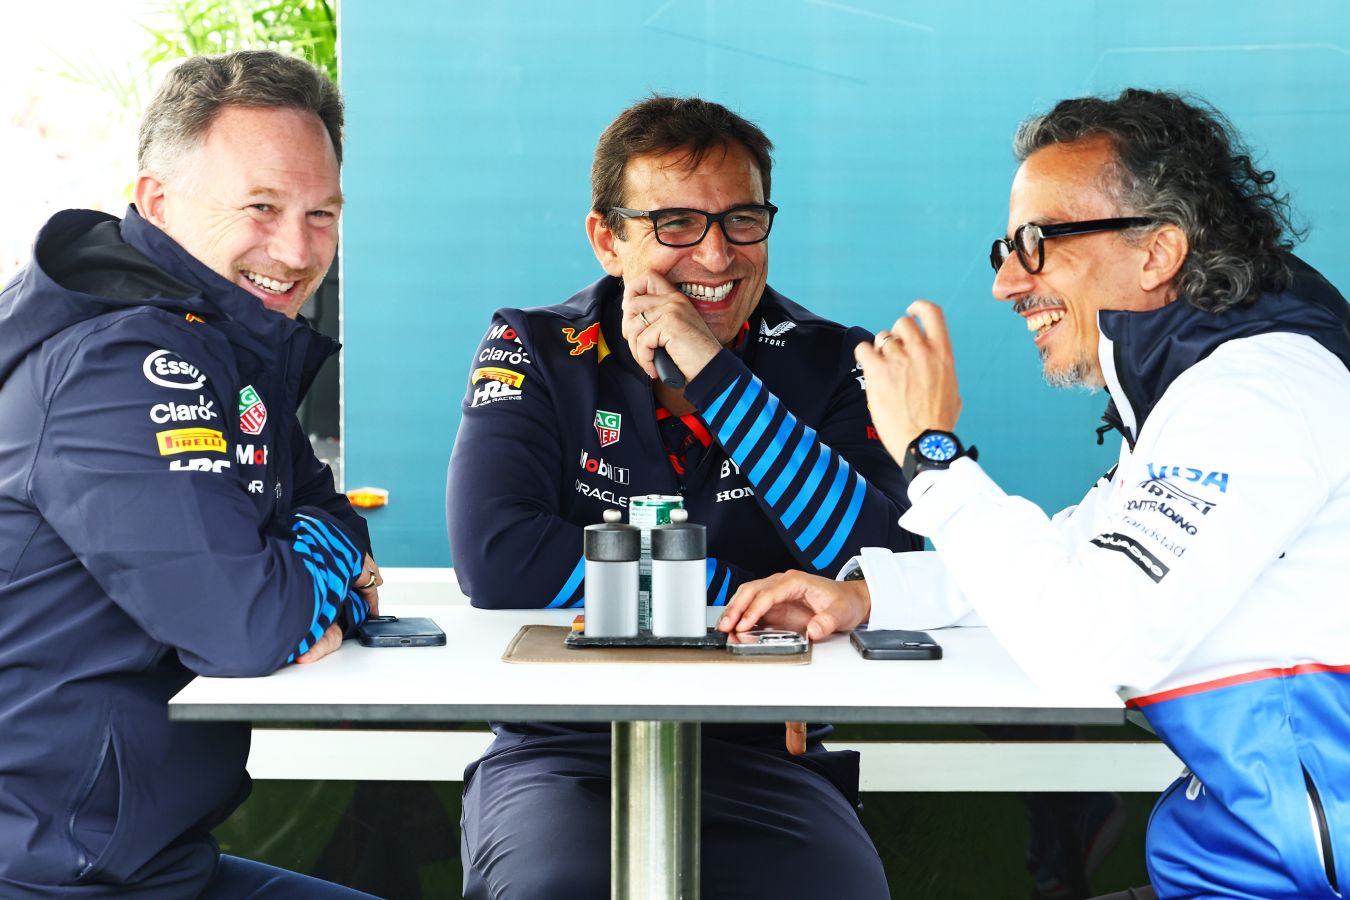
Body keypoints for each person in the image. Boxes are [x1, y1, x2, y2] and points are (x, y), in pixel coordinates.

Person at [718, 88, 1350, 899]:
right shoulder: (1211, 385)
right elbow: (1074, 561)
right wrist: (870, 596)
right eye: (1006, 249)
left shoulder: (1257, 396)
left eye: (1037, 243)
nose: (1007, 282)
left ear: (1157, 252)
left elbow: (1093, 648)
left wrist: (931, 453)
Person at [447, 95, 918, 898]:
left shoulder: (835, 360)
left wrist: (712, 371)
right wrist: (744, 599)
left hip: (764, 746)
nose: (716, 254)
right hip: (564, 749)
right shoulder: (534, 346)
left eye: (742, 221)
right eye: (675, 224)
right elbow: (498, 560)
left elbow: (884, 560)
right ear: (608, 239)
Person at [0, 51, 383, 899]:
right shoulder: (123, 361)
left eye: (321, 213)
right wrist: (318, 584)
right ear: (157, 200)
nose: (296, 249)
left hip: (146, 858)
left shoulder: (224, 345)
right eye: (261, 206)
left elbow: (339, 526)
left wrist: (309, 575)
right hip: (48, 871)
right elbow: (247, 627)